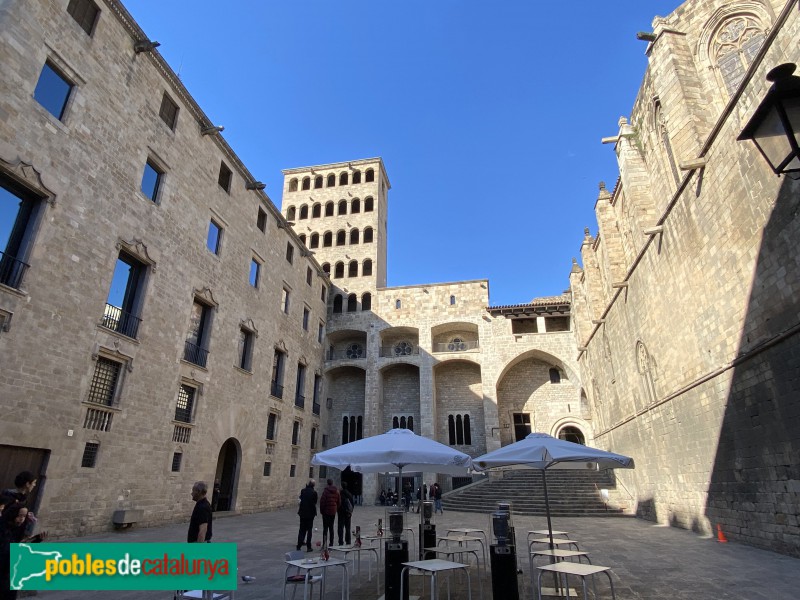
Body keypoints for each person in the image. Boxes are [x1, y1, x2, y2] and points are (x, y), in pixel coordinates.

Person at [297, 479, 318, 552]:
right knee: (309, 530)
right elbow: (315, 502)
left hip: (302, 513)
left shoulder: (303, 491)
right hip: (310, 514)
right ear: (313, 485)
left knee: (302, 529)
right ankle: (309, 547)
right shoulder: (314, 493)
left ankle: (299, 545)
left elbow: (300, 499)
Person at [319, 478, 340, 547]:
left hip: (326, 512)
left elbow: (322, 502)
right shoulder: (336, 491)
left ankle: (324, 543)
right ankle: (331, 543)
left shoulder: (325, 492)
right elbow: (339, 502)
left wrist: (322, 511)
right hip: (333, 511)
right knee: (331, 528)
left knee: (325, 528)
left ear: (327, 483)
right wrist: (335, 508)